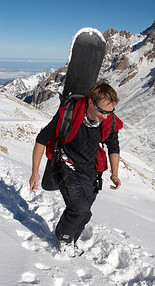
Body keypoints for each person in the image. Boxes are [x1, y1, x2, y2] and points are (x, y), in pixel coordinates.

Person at [29, 82, 123, 256]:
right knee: (78, 208)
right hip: (65, 164)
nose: (105, 116)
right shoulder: (68, 115)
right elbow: (42, 138)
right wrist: (35, 172)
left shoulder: (109, 122)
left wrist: (114, 173)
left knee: (85, 213)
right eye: (102, 111)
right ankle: (63, 239)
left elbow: (114, 147)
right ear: (90, 103)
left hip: (90, 171)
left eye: (109, 112)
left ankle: (72, 240)